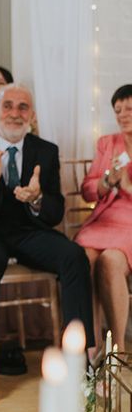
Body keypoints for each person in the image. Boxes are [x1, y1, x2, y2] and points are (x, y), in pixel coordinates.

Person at [0, 84, 94, 400]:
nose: (15, 113)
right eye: (8, 106)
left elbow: (55, 212)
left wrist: (38, 198)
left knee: (74, 256)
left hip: (28, 232)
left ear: (33, 115)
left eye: (23, 107)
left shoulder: (46, 151)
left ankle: (80, 361)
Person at [75, 84, 132, 355]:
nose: (122, 114)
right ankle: (92, 345)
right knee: (83, 257)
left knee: (110, 260)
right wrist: (107, 181)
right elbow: (87, 188)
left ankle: (118, 348)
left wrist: (128, 186)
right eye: (118, 109)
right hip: (104, 220)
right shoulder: (107, 143)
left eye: (129, 108)